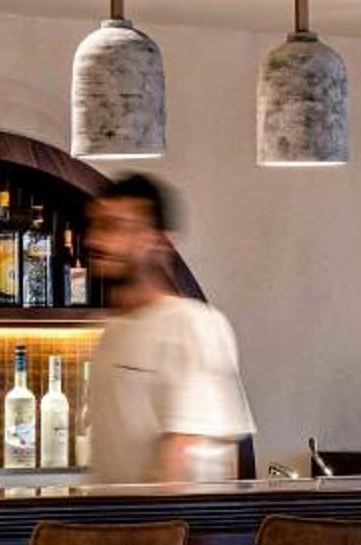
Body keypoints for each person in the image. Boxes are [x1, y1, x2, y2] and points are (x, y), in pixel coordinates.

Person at [81, 172, 254, 485]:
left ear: (157, 241)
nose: (96, 240)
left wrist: (149, 520)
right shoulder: (113, 333)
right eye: (96, 226)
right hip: (121, 517)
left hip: (176, 518)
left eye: (114, 227)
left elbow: (183, 455)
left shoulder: (191, 325)